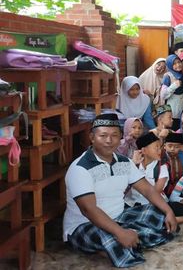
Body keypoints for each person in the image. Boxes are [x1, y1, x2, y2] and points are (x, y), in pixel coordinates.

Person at [63, 114, 176, 268]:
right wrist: (120, 233)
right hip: (84, 224)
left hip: (119, 216)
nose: (109, 140)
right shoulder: (80, 168)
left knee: (159, 213)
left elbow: (147, 190)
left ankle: (127, 242)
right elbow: (88, 210)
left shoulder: (124, 162)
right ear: (92, 137)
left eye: (114, 135)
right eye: (103, 135)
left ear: (121, 137)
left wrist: (168, 211)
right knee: (110, 237)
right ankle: (125, 241)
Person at [125, 132, 168, 207]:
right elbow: (122, 184)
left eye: (160, 147)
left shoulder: (161, 168)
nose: (160, 151)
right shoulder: (134, 164)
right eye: (156, 147)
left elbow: (156, 193)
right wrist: (133, 163)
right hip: (131, 203)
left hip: (153, 204)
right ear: (144, 151)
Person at [161, 54, 183, 130]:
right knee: (173, 134)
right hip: (172, 114)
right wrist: (174, 85)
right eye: (174, 64)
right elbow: (163, 95)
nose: (178, 65)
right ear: (170, 65)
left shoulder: (182, 75)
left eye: (179, 62)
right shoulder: (167, 76)